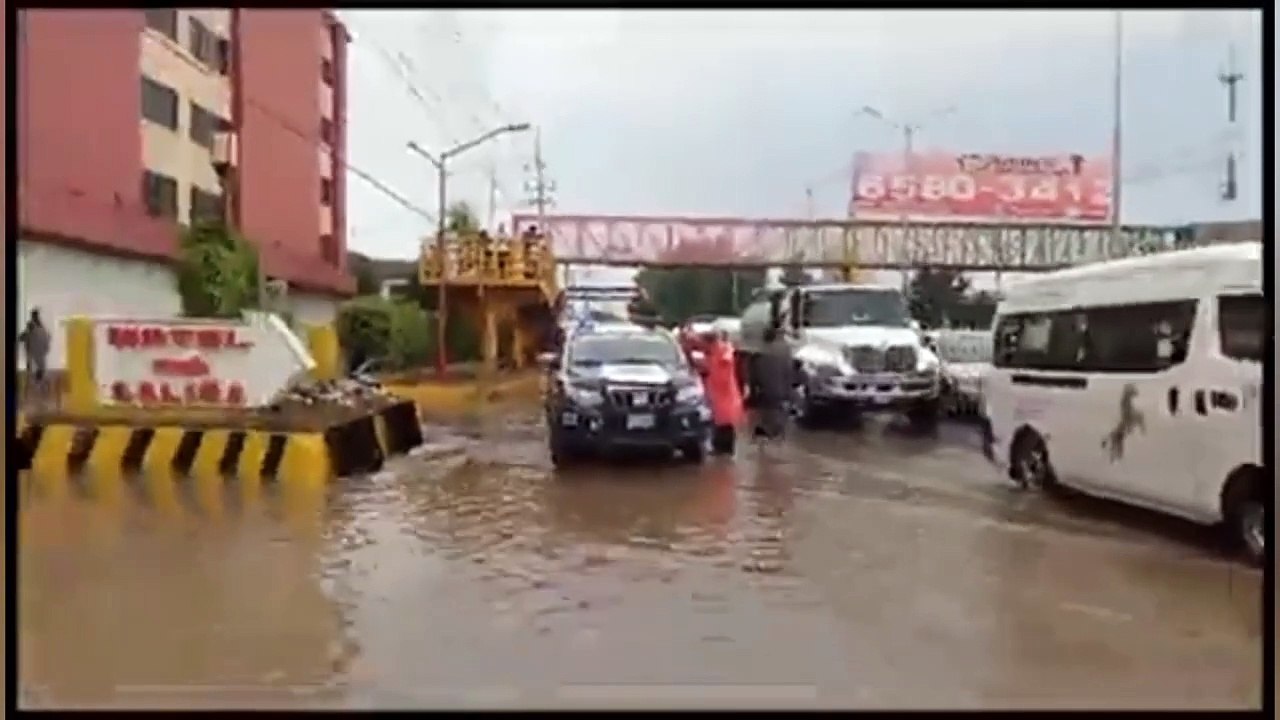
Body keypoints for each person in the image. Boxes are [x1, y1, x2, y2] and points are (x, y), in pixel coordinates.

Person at [701, 329, 744, 455]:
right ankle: (723, 448)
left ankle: (724, 448)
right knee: (722, 420)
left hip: (724, 391)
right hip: (719, 391)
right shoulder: (714, 352)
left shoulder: (722, 351)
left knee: (724, 420)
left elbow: (725, 362)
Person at [751, 325, 794, 441]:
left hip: (764, 391)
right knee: (776, 418)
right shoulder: (785, 349)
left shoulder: (759, 352)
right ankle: (773, 438)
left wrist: (753, 393)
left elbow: (754, 375)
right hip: (780, 391)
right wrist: (789, 392)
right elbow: (788, 372)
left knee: (766, 418)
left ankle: (765, 439)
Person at [19, 309, 51, 396]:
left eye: (34, 316)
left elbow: (22, 337)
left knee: (37, 371)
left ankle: (37, 387)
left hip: (35, 354)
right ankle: (37, 387)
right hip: (36, 354)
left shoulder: (35, 327)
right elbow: (22, 337)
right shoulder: (39, 327)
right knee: (38, 370)